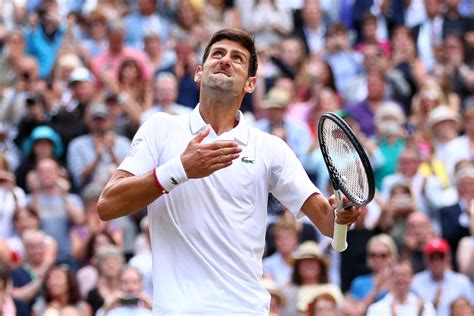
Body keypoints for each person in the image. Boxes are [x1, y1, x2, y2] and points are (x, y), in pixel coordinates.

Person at [97, 28, 360, 314]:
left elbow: (327, 221)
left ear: (250, 84)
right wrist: (180, 169)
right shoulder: (160, 128)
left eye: (237, 58)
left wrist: (341, 214)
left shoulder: (270, 148)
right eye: (217, 54)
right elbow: (108, 204)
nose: (225, 60)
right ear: (199, 72)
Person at [411, 237, 472, 316]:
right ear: (425, 259)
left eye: (441, 257)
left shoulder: (462, 281)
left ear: (448, 258)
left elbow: (471, 310)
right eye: (432, 257)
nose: (436, 262)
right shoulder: (416, 282)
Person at [366, 259, 436, 316]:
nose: (401, 280)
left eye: (404, 275)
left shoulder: (425, 307)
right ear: (390, 278)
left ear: (412, 278)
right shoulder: (376, 309)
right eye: (397, 275)